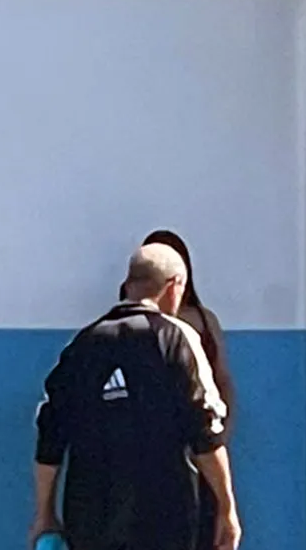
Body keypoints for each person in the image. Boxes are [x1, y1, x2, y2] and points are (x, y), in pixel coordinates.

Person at [31, 243, 241, 550]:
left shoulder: (82, 344)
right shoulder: (176, 338)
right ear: (174, 286)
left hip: (89, 514)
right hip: (162, 513)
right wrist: (226, 508)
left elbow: (50, 435)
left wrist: (45, 514)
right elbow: (205, 429)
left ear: (128, 285)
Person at [137, 230, 235, 550]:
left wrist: (219, 438)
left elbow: (222, 382)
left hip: (197, 444)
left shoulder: (203, 321)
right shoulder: (133, 328)